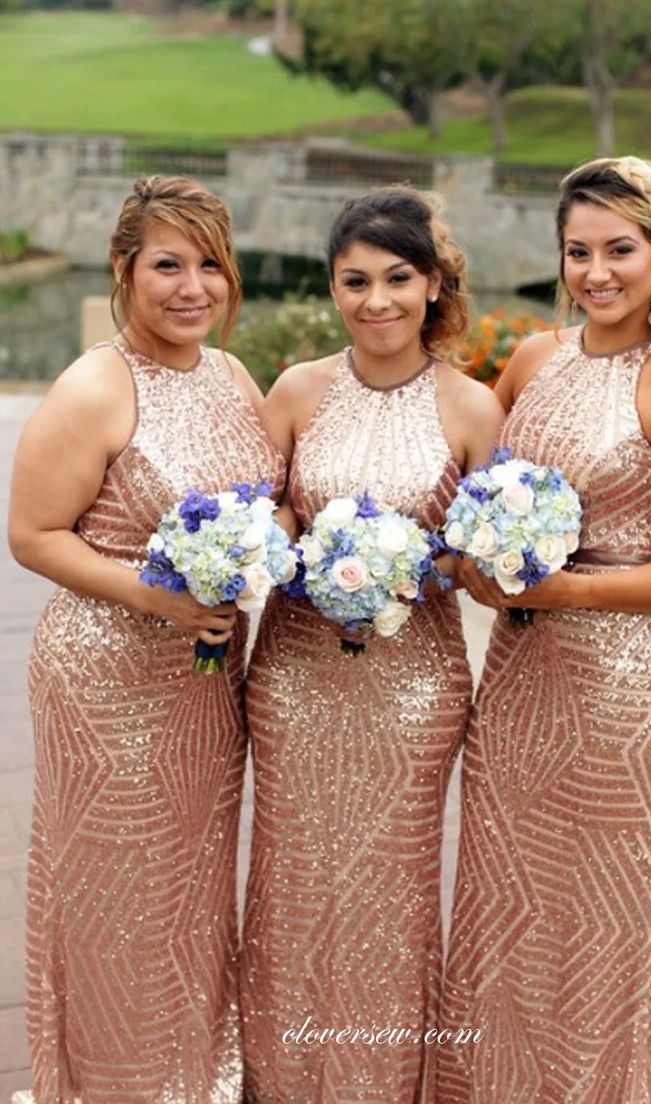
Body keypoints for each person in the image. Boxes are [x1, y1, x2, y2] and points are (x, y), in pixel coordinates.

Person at [439, 156, 651, 1103]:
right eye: (578, 251)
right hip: (523, 665)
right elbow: (487, 491)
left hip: (620, 680)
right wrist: (481, 565)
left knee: (593, 897)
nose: (597, 273)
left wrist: (576, 596)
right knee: (504, 879)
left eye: (620, 250)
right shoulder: (533, 357)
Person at [8, 175, 283, 1103]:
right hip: (107, 678)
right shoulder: (94, 386)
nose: (192, 286)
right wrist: (158, 600)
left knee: (189, 888)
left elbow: (265, 500)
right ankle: (110, 1081)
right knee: (115, 892)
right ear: (125, 271)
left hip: (204, 685)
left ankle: (186, 1074)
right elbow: (33, 534)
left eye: (212, 264)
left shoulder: (232, 376)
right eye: (168, 264)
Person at [238, 185, 504, 1103]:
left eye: (399, 278)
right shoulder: (297, 389)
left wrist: (439, 566)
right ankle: (282, 1078)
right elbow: (267, 506)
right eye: (356, 281)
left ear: (434, 285)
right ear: (333, 287)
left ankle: (381, 1080)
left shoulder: (472, 409)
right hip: (296, 678)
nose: (377, 300)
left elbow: (486, 558)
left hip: (416, 687)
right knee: (292, 881)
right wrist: (285, 544)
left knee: (391, 892)